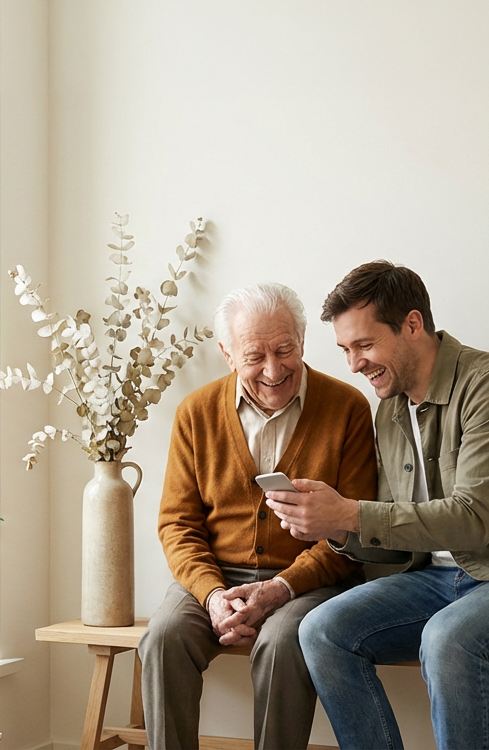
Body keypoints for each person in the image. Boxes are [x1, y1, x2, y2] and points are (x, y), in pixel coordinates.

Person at [264, 261, 489, 750]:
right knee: (321, 630)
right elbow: (398, 538)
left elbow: (473, 520)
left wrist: (350, 512)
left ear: (413, 325)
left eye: (365, 345)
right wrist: (334, 526)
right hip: (432, 581)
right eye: (346, 349)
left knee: (448, 639)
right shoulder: (389, 410)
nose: (353, 365)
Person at [138, 282, 378, 750]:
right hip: (215, 576)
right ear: (227, 354)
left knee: (283, 642)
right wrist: (212, 596)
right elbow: (177, 525)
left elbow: (351, 531)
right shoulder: (196, 413)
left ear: (303, 341)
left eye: (285, 349)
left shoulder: (347, 408)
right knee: (163, 638)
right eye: (254, 356)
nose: (273, 369)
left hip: (306, 583)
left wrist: (277, 590)